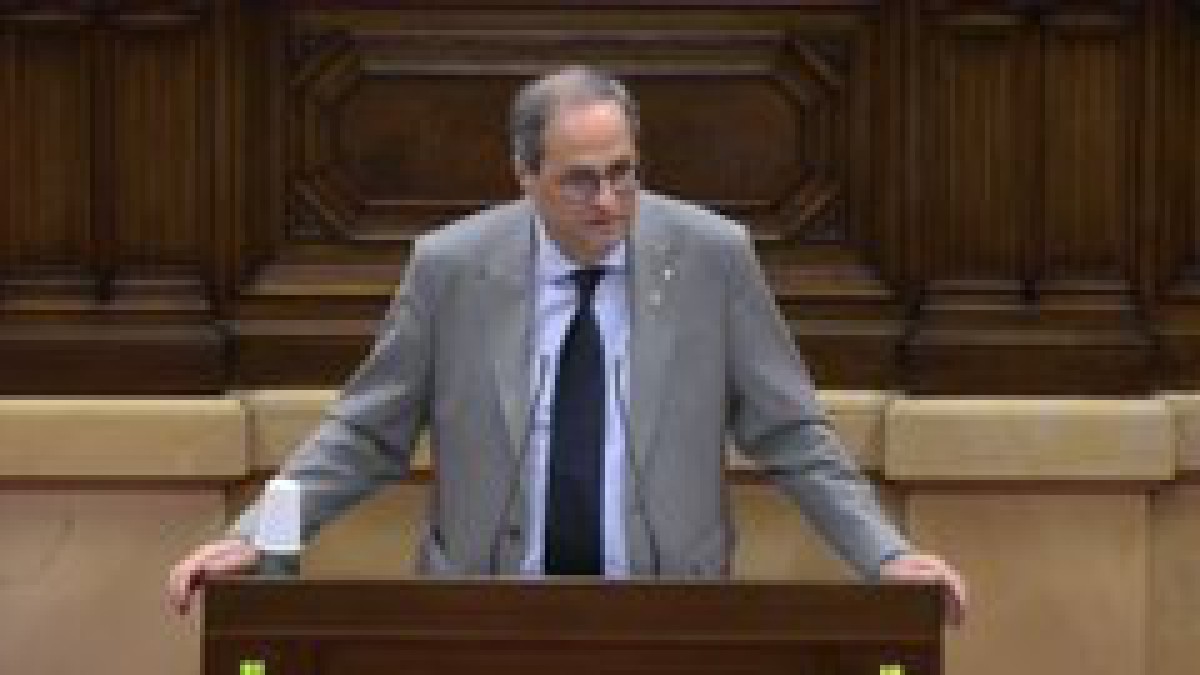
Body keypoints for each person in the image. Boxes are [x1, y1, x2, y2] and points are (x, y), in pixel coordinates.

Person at [168, 65, 967, 621]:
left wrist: (885, 555)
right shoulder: (452, 267)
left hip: (672, 620)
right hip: (483, 620)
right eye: (581, 179)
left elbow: (792, 432)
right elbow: (366, 433)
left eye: (624, 173)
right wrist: (251, 536)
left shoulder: (711, 257)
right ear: (524, 174)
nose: (609, 201)